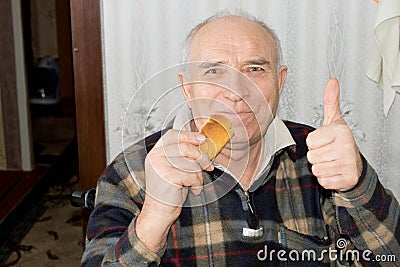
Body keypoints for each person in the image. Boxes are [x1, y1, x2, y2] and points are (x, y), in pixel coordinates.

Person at [81, 11, 400, 266]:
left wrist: (358, 186)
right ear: (187, 87)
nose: (236, 92)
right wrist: (153, 219)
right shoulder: (132, 171)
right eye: (214, 71)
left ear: (280, 80)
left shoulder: (322, 156)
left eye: (255, 69)